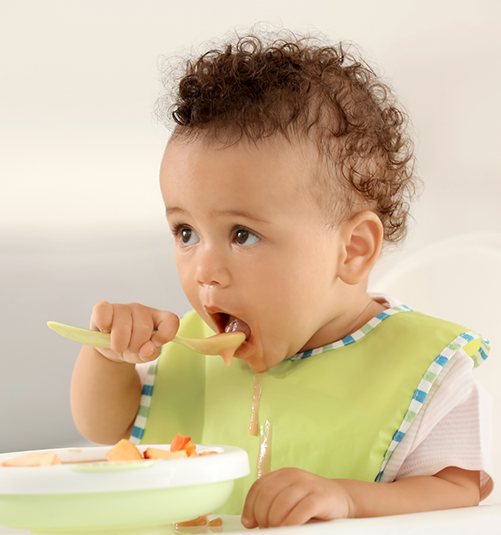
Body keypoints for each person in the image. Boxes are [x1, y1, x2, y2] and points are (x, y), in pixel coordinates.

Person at [70, 30, 493, 527]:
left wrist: (348, 499)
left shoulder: (422, 369)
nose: (204, 271)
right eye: (186, 233)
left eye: (243, 235)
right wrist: (109, 357)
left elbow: (460, 490)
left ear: (353, 249)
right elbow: (103, 427)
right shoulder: (185, 351)